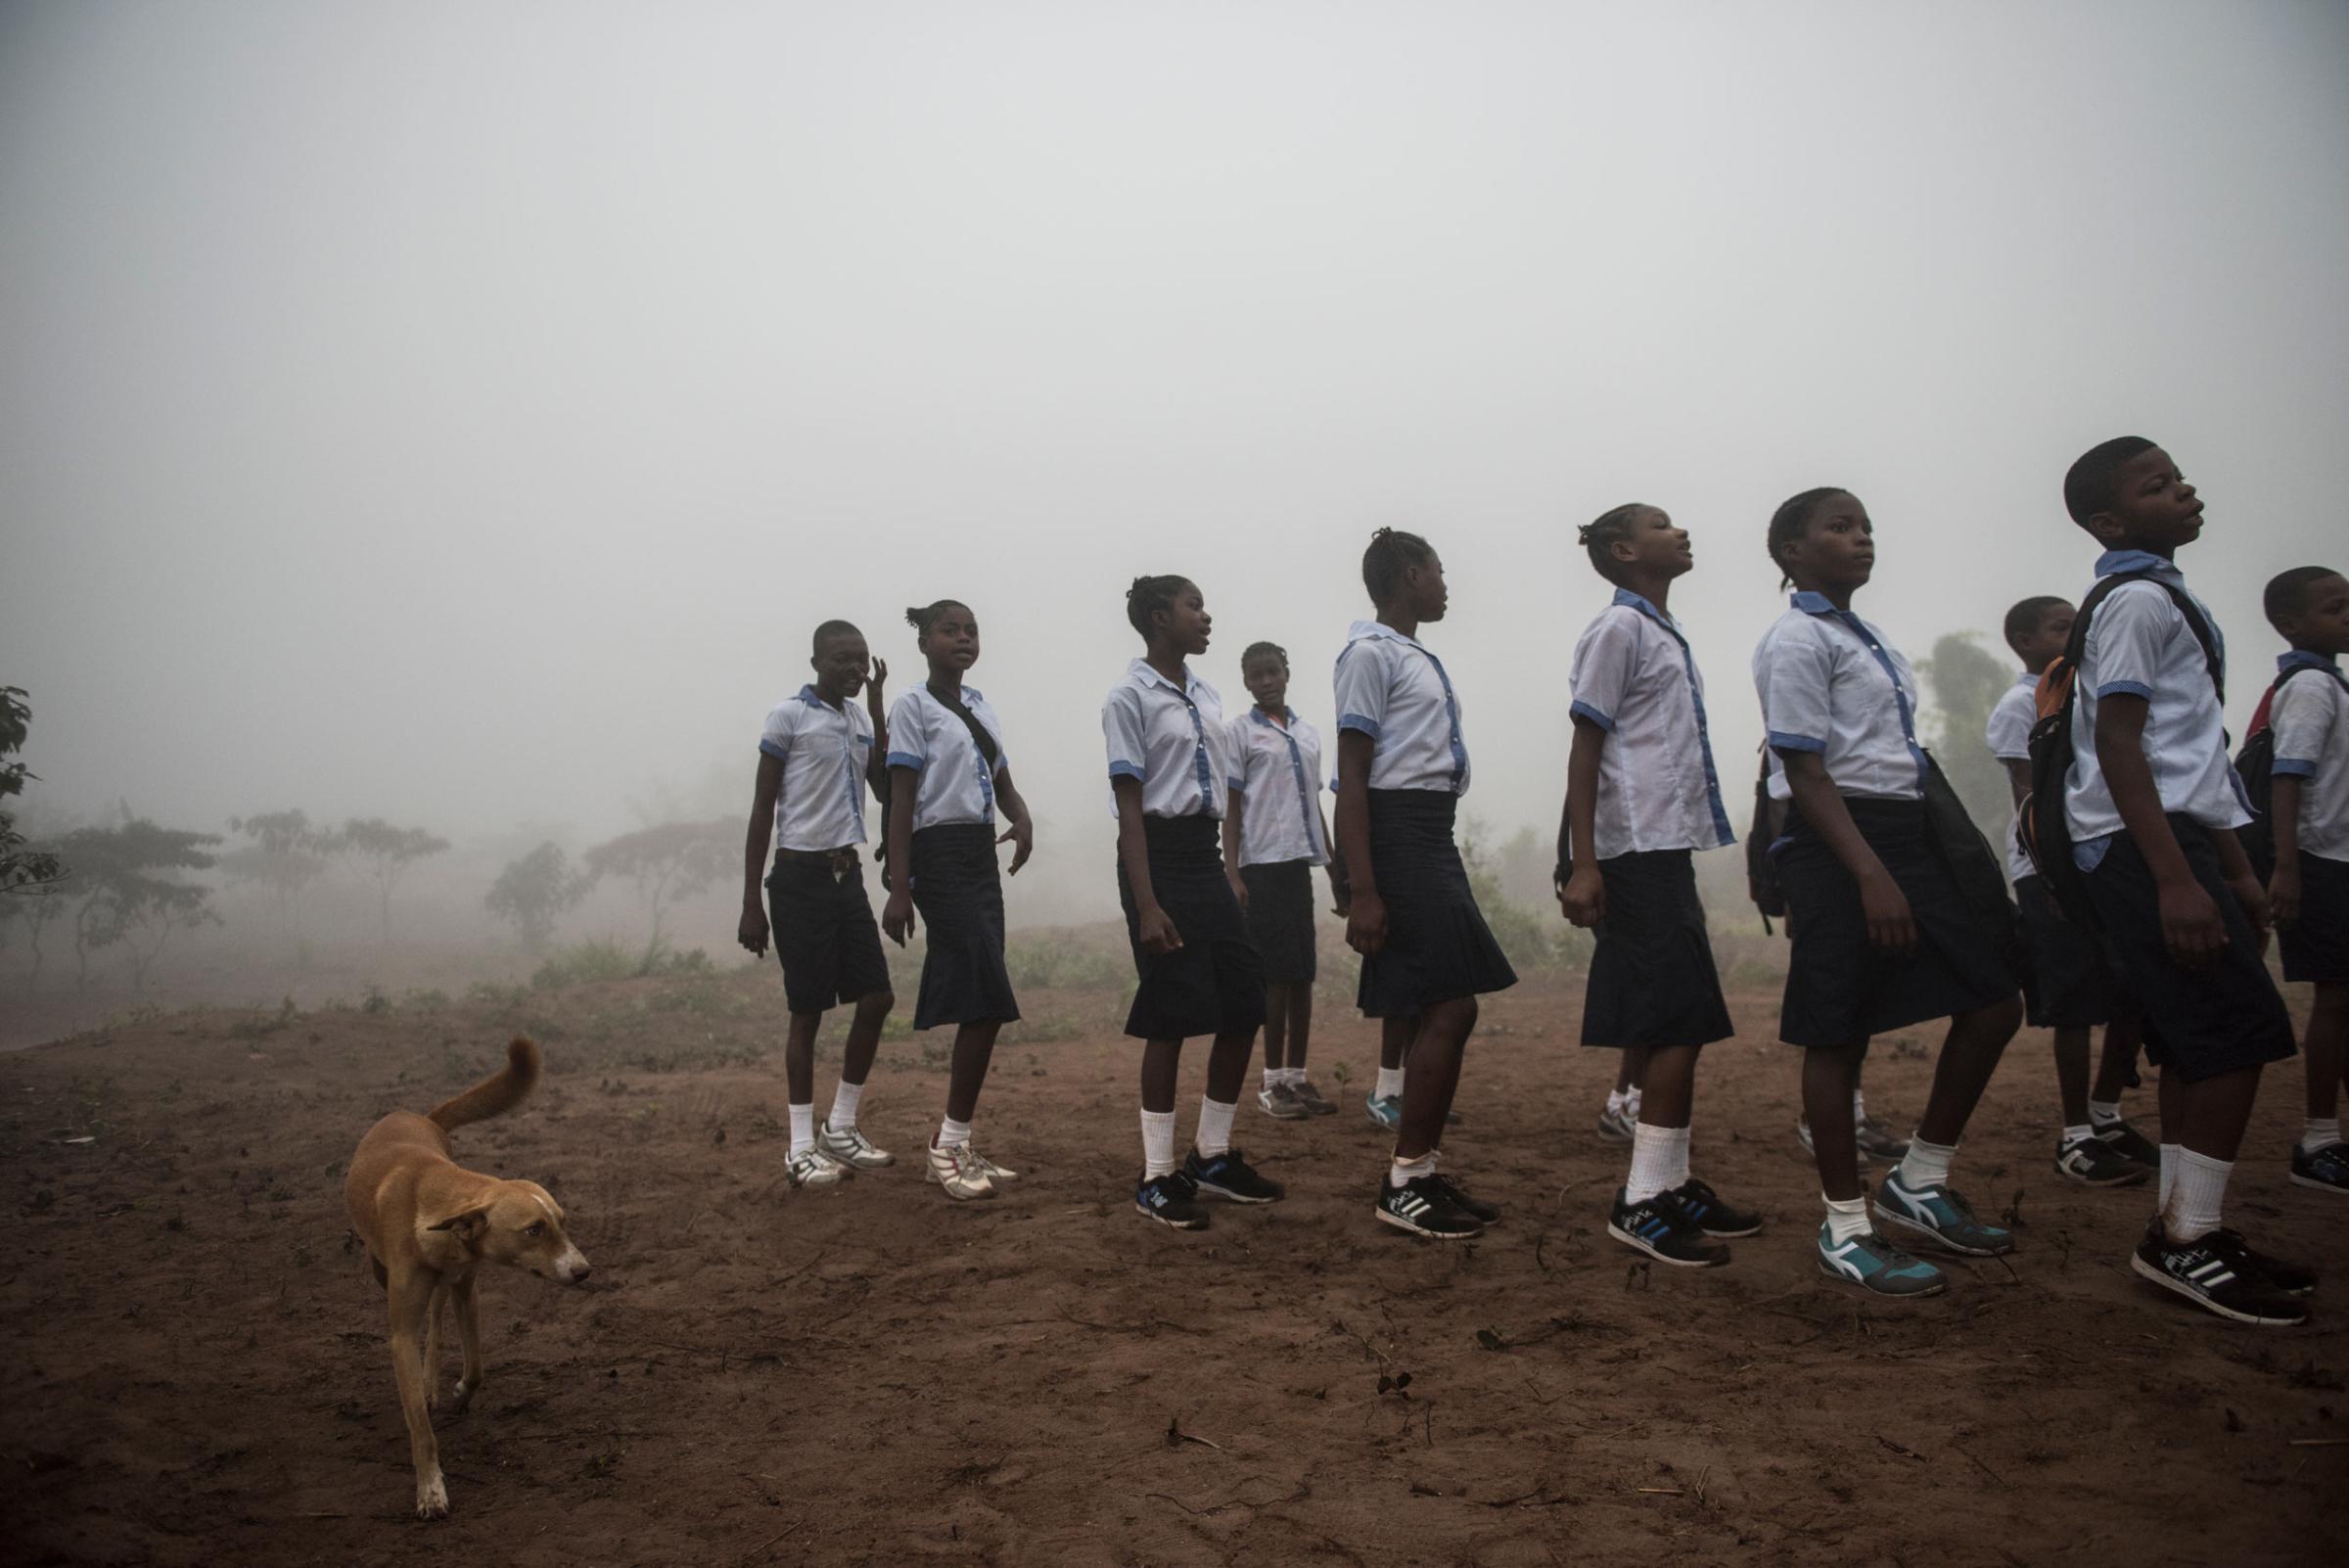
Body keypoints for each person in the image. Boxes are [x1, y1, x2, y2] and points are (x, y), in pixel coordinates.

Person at [2058, 438, 2309, 1324]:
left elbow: (2190, 758)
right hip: (2141, 849)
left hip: (2175, 842)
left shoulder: (2164, 594)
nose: (2184, 490)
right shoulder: (2133, 601)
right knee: (2241, 1036)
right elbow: (2121, 746)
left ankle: (2183, 1227)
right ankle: (2184, 1243)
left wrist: (2234, 867)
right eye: (2156, 486)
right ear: (2110, 521)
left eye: (2179, 477)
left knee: (2199, 1040)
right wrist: (2174, 881)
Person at [1753, 487, 2023, 1297]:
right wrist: (1869, 874)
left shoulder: (1864, 638)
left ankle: (1920, 1180)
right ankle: (1845, 1226)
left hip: (1907, 832)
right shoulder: (1795, 640)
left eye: (1865, 525)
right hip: (1838, 841)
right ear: (1792, 553)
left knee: (1994, 999)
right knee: (1836, 1035)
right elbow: (1802, 768)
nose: (1861, 538)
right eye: (1838, 528)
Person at [1556, 503, 1759, 1266]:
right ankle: (1642, 1202)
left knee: (1686, 1019)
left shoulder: (1660, 630)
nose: (1682, 531)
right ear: (1624, 550)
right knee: (1675, 1021)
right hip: (1632, 850)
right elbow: (1586, 746)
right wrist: (1584, 861)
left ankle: (1669, 1181)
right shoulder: (1617, 630)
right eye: (1663, 524)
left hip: (1663, 847)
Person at [1334, 529, 1518, 1240]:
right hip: (1399, 833)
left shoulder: (1412, 654)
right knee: (1451, 1007)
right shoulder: (1369, 655)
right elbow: (1353, 777)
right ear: (1410, 575)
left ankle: (1421, 1173)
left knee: (1447, 1005)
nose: (1446, 582)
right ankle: (1405, 1181)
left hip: (1430, 833)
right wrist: (1363, 888)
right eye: (1439, 571)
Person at [1107, 576, 1281, 1229]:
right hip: (1156, 856)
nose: (1206, 617)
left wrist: (1228, 870)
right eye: (1193, 607)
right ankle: (1155, 1177)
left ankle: (1210, 1155)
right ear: (1159, 617)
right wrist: (1147, 905)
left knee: (1245, 996)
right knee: (1171, 1012)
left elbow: (1225, 789)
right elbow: (1129, 809)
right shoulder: (1129, 697)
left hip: (1204, 859)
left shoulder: (1207, 694)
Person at [1985, 594, 2153, 1185]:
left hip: (2100, 860)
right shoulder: (2018, 704)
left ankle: (2108, 1114)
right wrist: (2052, 873)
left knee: (2133, 988)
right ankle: (2076, 1135)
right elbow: (2029, 798)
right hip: (2049, 870)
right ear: (2025, 642)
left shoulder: (2088, 694)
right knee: (2076, 1004)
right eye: (2061, 626)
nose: (2075, 632)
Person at [881, 599, 1036, 1200]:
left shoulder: (979, 705)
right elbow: (899, 801)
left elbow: (1002, 781)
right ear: (924, 643)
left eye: (972, 630)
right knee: (988, 994)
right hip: (937, 857)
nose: (963, 639)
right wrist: (900, 887)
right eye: (949, 631)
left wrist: (1021, 818)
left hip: (980, 857)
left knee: (985, 999)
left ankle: (958, 1140)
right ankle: (946, 1147)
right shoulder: (913, 707)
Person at [736, 621, 897, 1190]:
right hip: (799, 878)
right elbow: (762, 811)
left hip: (845, 875)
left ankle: (842, 1126)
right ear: (815, 663)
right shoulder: (788, 717)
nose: (854, 669)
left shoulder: (857, 718)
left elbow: (884, 787)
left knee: (877, 997)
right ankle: (800, 1146)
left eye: (862, 660)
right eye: (842, 661)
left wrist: (876, 707)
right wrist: (752, 900)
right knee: (807, 1013)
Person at [2255, 565, 2349, 1196]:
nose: (2347, 615)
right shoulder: (2312, 685)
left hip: (2333, 860)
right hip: (2319, 862)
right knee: (2336, 1001)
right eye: (2335, 607)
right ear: (2290, 625)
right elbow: (2287, 778)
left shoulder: (2330, 684)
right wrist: (2286, 868)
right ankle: (2318, 1139)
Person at [1224, 641, 1348, 1121]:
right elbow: (1232, 809)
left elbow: (1313, 807)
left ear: (1286, 673)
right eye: (1256, 675)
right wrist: (1231, 870)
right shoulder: (1240, 734)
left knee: (1302, 975)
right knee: (1274, 976)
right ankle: (1272, 1081)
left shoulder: (1307, 734)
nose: (1266, 681)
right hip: (1261, 866)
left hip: (1298, 866)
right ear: (1247, 682)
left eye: (1273, 671)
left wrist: (1336, 871)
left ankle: (1298, 1076)